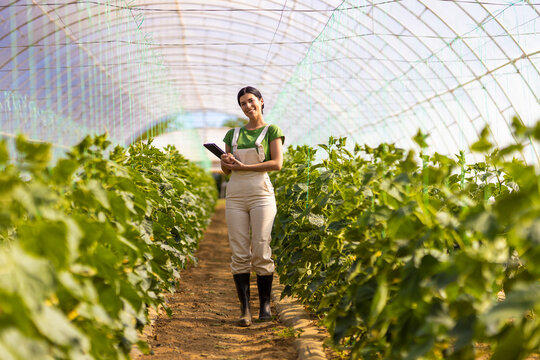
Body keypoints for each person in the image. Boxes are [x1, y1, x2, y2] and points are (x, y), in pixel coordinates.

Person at [221, 86, 284, 327]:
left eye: (251, 101)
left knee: (260, 247)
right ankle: (245, 310)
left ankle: (265, 306)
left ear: (261, 101)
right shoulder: (232, 134)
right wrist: (225, 161)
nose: (248, 106)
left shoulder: (272, 130)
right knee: (239, 251)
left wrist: (247, 168)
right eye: (243, 104)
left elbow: (277, 163)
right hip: (235, 195)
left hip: (261, 194)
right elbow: (227, 170)